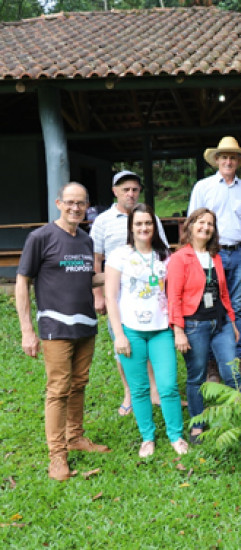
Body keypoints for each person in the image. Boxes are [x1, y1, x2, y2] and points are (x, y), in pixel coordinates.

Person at [16, 182, 110, 482]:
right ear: (59, 203)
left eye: (81, 203)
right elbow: (22, 282)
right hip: (55, 327)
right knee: (58, 389)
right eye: (70, 202)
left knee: (79, 384)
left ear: (87, 207)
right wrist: (27, 330)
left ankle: (75, 436)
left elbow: (86, 277)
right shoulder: (40, 237)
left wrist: (121, 271)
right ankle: (57, 456)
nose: (75, 208)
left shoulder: (85, 240)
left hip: (86, 325)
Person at [105, 204, 187, 457]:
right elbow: (110, 297)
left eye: (148, 223)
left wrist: (177, 328)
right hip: (131, 330)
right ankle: (147, 437)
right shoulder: (119, 256)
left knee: (168, 386)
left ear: (154, 226)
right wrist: (119, 334)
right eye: (138, 224)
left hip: (161, 330)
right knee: (139, 388)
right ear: (131, 227)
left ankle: (176, 435)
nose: (143, 228)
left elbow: (174, 293)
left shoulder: (165, 256)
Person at [90, 170, 168, 416]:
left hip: (147, 295)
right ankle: (129, 392)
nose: (130, 193)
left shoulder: (149, 217)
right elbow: (96, 259)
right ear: (115, 191)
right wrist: (99, 296)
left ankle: (154, 390)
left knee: (148, 340)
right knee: (122, 344)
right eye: (125, 189)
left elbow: (163, 252)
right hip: (118, 297)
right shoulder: (103, 220)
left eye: (135, 189)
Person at [167, 208, 241, 445]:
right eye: (201, 222)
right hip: (194, 325)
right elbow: (173, 296)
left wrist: (232, 320)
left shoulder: (215, 257)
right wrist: (178, 330)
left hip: (220, 324)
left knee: (232, 371)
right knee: (196, 376)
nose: (205, 227)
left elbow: (223, 293)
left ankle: (240, 419)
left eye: (210, 224)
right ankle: (197, 425)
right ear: (190, 226)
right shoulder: (180, 258)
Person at [188, 137, 241, 375]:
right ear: (216, 160)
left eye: (233, 157)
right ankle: (211, 363)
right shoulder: (203, 187)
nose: (228, 161)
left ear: (239, 161)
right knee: (209, 305)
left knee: (236, 308)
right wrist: (195, 257)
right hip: (211, 255)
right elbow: (193, 223)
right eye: (224, 157)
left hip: (239, 254)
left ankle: (237, 358)